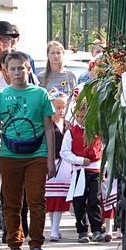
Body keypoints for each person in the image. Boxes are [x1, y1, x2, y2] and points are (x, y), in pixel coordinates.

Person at [0, 50, 57, 250]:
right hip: (9, 156)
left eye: (21, 68)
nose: (18, 73)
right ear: (6, 72)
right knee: (12, 203)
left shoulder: (40, 94)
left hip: (37, 155)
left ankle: (36, 245)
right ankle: (15, 246)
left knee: (37, 201)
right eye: (13, 69)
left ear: (29, 69)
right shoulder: (0, 97)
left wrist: (50, 159)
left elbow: (49, 128)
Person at [61, 99, 108, 242]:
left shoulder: (98, 131)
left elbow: (104, 149)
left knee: (94, 200)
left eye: (84, 116)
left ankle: (97, 230)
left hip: (95, 171)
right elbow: (64, 152)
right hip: (79, 171)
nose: (81, 120)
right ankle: (82, 231)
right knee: (79, 202)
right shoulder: (71, 132)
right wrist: (80, 160)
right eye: (78, 116)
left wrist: (103, 167)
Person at [44, 92, 71, 241]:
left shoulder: (67, 124)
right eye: (58, 107)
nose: (61, 111)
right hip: (49, 162)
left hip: (64, 164)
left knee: (60, 197)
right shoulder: (46, 123)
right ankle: (53, 227)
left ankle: (55, 228)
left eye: (63, 107)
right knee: (50, 197)